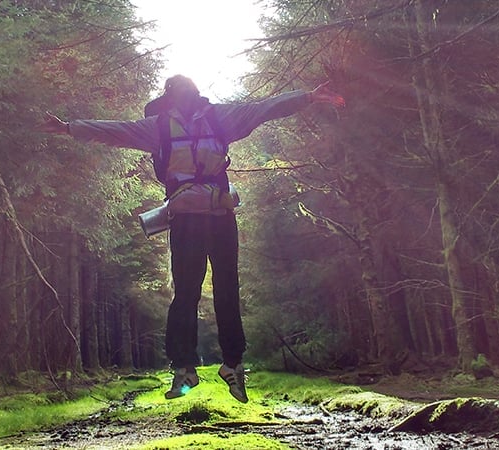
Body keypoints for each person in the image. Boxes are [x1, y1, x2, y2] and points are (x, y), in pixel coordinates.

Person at [42, 75, 345, 403]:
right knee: (191, 292)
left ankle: (225, 365)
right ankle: (194, 367)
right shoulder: (168, 125)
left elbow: (263, 109)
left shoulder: (211, 118)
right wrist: (70, 127)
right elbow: (113, 130)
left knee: (218, 289)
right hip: (199, 218)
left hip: (212, 217)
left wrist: (308, 97)